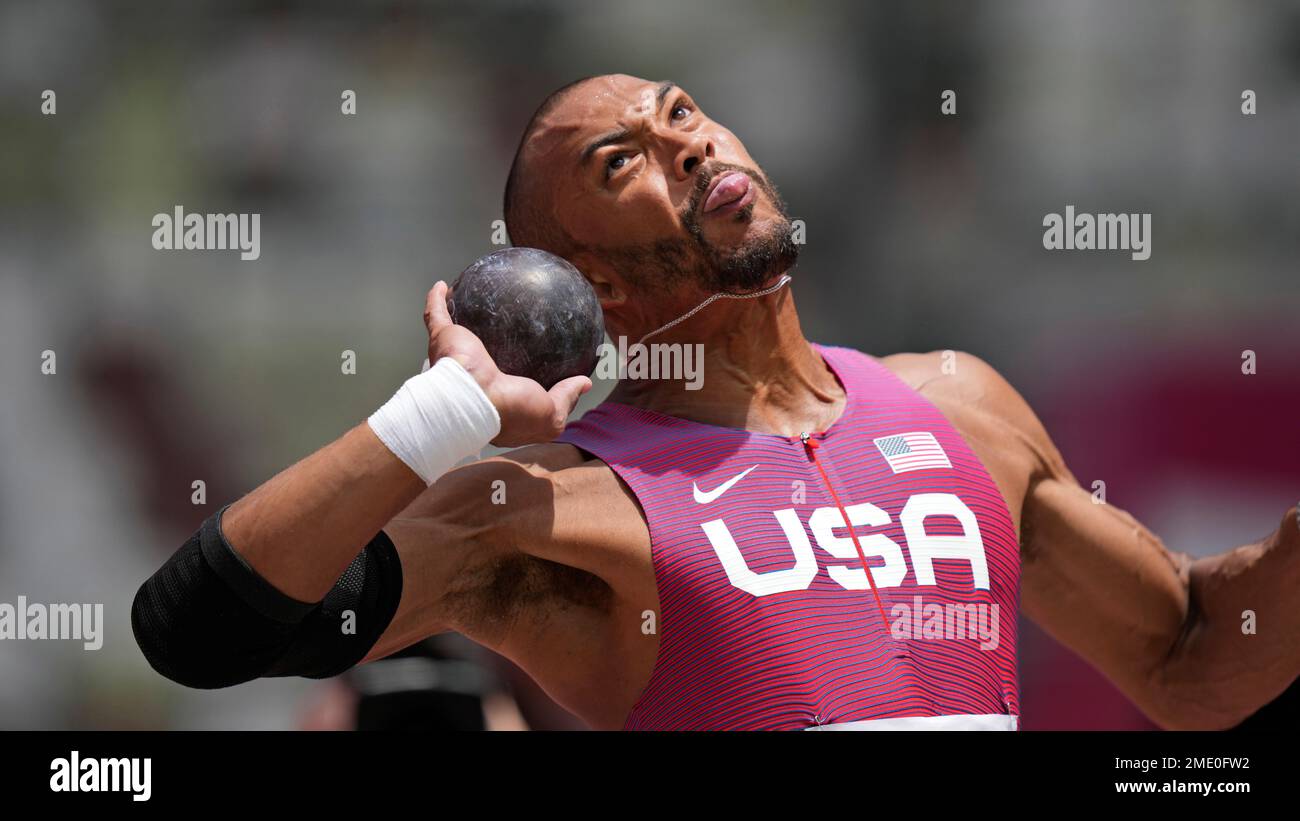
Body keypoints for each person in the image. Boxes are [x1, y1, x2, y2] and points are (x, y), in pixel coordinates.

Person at [133, 74, 1300, 730]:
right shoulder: (552, 507)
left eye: (681, 112)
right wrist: (434, 419)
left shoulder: (965, 408)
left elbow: (1193, 652)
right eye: (620, 161)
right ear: (586, 280)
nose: (682, 145)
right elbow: (199, 632)